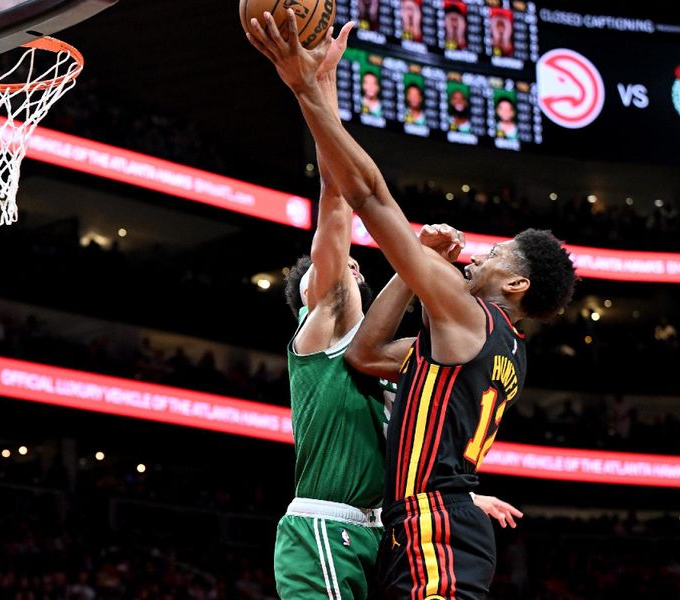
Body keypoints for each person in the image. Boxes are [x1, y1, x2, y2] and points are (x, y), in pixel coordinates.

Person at [246, 13, 576, 598]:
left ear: (519, 285)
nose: (479, 256)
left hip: (412, 529)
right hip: (363, 527)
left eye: (496, 251)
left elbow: (359, 199)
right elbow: (339, 211)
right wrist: (317, 87)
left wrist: (312, 86)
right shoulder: (501, 349)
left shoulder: (465, 321)